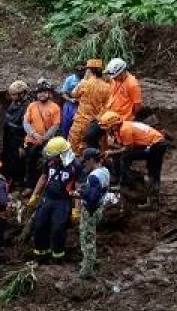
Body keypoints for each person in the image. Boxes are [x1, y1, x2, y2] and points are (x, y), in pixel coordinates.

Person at [28, 137, 78, 265]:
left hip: (63, 201)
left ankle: (58, 256)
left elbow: (79, 187)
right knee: (39, 224)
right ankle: (41, 254)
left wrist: (76, 209)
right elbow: (44, 177)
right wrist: (34, 196)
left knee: (58, 228)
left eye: (53, 156)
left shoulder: (74, 166)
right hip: (48, 198)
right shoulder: (50, 163)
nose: (51, 158)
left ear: (61, 154)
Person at [101, 112, 168, 204]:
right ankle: (129, 181)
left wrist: (111, 153)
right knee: (126, 157)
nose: (107, 131)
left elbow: (128, 148)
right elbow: (126, 146)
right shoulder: (122, 127)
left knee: (152, 170)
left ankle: (151, 199)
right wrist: (113, 148)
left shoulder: (125, 129)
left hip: (157, 145)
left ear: (114, 126)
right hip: (153, 143)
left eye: (107, 128)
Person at [21, 80, 63, 192]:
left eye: (44, 92)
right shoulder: (32, 106)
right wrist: (34, 134)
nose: (42, 94)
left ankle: (46, 186)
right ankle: (30, 186)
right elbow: (26, 122)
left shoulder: (55, 107)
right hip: (32, 140)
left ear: (49, 93)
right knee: (29, 161)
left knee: (47, 163)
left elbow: (56, 125)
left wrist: (45, 137)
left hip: (47, 141)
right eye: (39, 92)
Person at [77, 147, 111, 280]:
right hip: (100, 208)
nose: (84, 163)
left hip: (91, 211)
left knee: (87, 238)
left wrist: (80, 193)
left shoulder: (93, 176)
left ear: (91, 160)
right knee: (90, 235)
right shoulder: (105, 171)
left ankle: (87, 269)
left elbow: (91, 198)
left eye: (85, 160)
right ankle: (91, 261)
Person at [67, 58, 110, 150]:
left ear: (89, 70)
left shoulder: (84, 83)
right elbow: (107, 107)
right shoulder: (107, 87)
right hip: (95, 123)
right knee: (94, 148)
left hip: (80, 121)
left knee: (74, 147)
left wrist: (83, 80)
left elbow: (74, 94)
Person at [2, 80, 29, 186]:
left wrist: (23, 145)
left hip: (19, 138)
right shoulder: (13, 103)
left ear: (21, 94)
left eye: (14, 95)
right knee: (7, 159)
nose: (12, 97)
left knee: (18, 161)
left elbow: (26, 128)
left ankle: (17, 182)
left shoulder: (27, 107)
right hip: (9, 137)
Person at [103, 58, 143, 124]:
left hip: (123, 119)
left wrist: (130, 116)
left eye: (115, 77)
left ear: (122, 73)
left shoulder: (132, 84)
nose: (114, 78)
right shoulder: (116, 80)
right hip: (111, 115)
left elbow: (137, 106)